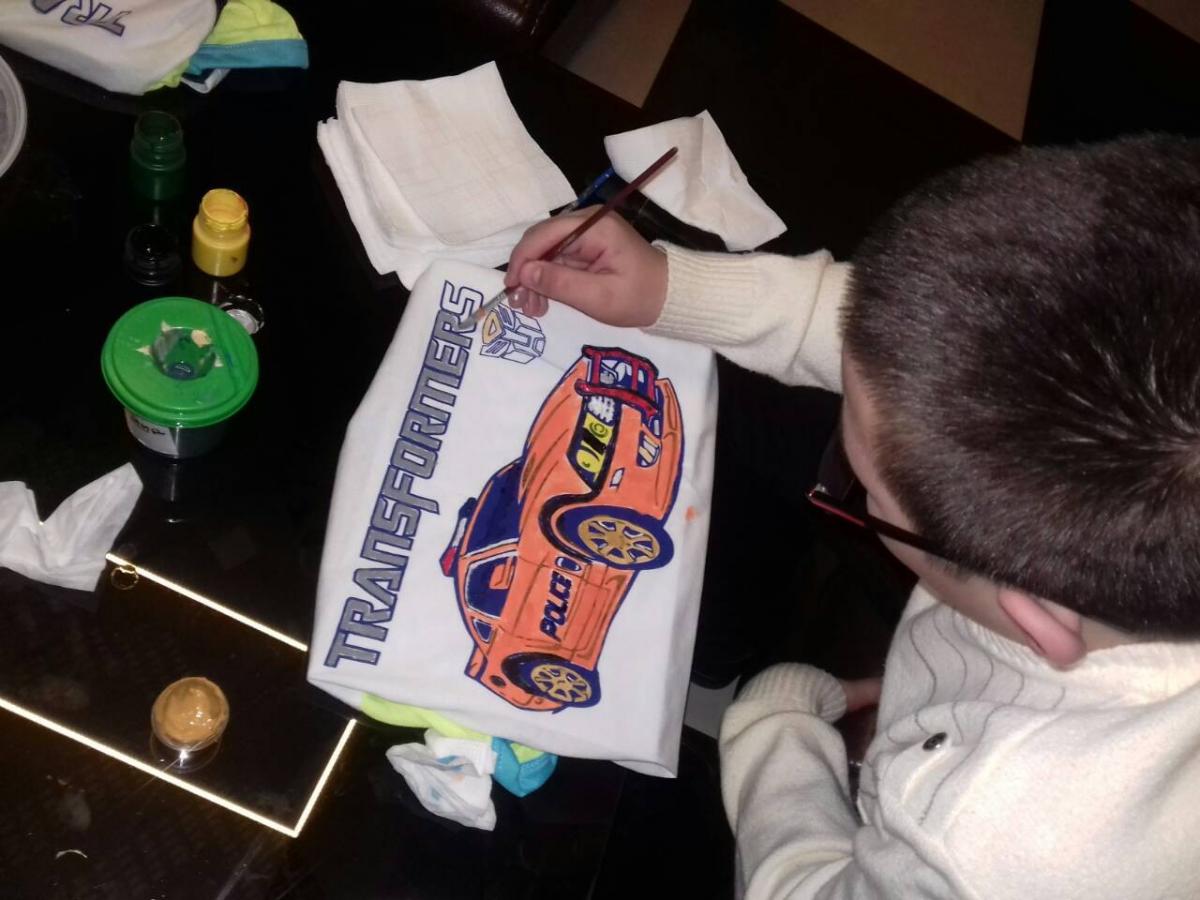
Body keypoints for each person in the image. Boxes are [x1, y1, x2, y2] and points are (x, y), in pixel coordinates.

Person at [501, 134, 1200, 899]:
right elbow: (908, 341)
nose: (852, 479)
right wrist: (669, 286)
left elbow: (801, 885)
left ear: (1033, 619)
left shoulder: (986, 849)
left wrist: (774, 724)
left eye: (864, 489)